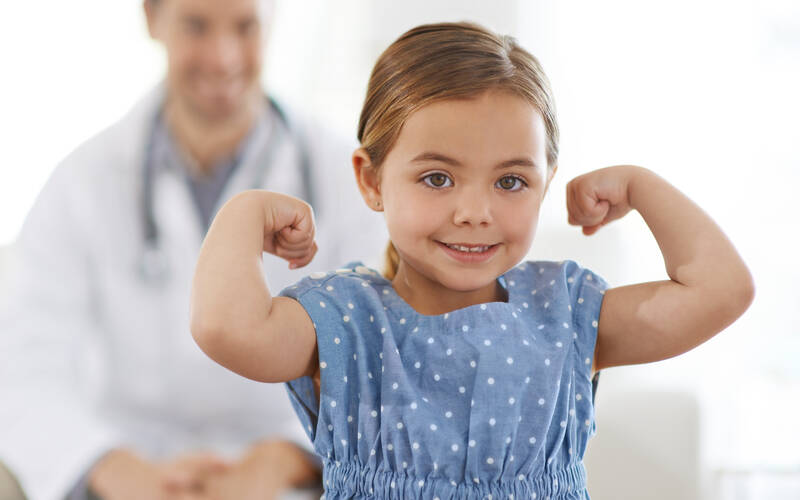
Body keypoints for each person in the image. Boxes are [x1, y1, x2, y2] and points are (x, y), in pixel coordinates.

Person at [190, 22, 755, 499]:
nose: (475, 211)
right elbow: (224, 328)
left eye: (511, 181)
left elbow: (722, 290)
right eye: (438, 178)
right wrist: (242, 212)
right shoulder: (346, 323)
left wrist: (644, 186)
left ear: (545, 184)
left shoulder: (566, 315)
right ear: (371, 179)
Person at [0, 0, 385, 499]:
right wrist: (111, 467)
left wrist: (288, 457)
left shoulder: (343, 176)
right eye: (197, 26)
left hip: (290, 478)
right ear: (150, 18)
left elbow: (381, 353)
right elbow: (24, 363)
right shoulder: (83, 181)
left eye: (245, 28)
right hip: (129, 470)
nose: (223, 57)